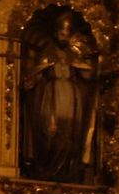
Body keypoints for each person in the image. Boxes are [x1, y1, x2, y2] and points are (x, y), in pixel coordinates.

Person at [20, 10, 98, 182]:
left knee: (70, 133)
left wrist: (86, 69)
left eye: (67, 33)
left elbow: (88, 77)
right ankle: (45, 168)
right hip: (51, 97)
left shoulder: (74, 53)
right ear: (55, 33)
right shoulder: (46, 52)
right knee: (49, 131)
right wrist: (36, 76)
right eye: (61, 32)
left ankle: (66, 171)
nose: (63, 36)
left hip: (71, 99)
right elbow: (33, 75)